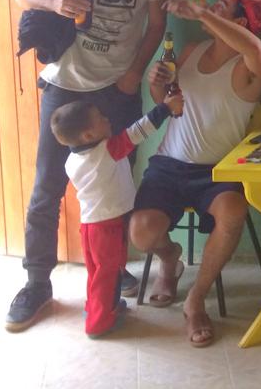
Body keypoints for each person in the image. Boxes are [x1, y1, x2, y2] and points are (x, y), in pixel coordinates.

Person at [6, 0, 177, 332]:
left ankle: (114, 267)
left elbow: (157, 26)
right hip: (64, 87)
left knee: (120, 188)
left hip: (118, 90)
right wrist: (56, 2)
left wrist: (134, 73)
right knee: (46, 187)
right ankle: (37, 284)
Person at [129, 0, 261, 348]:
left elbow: (255, 51)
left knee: (234, 211)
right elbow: (169, 101)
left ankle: (196, 298)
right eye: (210, 6)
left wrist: (200, 14)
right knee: (141, 233)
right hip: (168, 165)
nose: (209, 8)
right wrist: (156, 84)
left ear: (239, 23)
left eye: (221, 8)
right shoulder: (191, 51)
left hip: (216, 173)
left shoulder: (248, 66)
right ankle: (170, 259)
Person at [51, 90, 183, 337]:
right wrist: (165, 108)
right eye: (100, 118)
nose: (107, 119)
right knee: (108, 275)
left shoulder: (73, 159)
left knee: (97, 272)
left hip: (90, 226)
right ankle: (99, 323)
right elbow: (140, 130)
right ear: (89, 134)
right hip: (107, 227)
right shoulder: (107, 151)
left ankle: (99, 308)